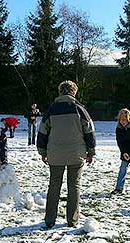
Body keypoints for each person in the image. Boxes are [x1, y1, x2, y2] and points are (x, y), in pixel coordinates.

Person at [37, 80, 96, 228]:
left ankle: (50, 220)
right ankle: (72, 220)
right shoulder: (79, 109)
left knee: (54, 186)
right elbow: (89, 131)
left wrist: (42, 152)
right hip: (76, 154)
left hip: (55, 154)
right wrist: (91, 151)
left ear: (60, 92)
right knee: (74, 186)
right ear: (73, 92)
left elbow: (42, 132)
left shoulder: (51, 109)